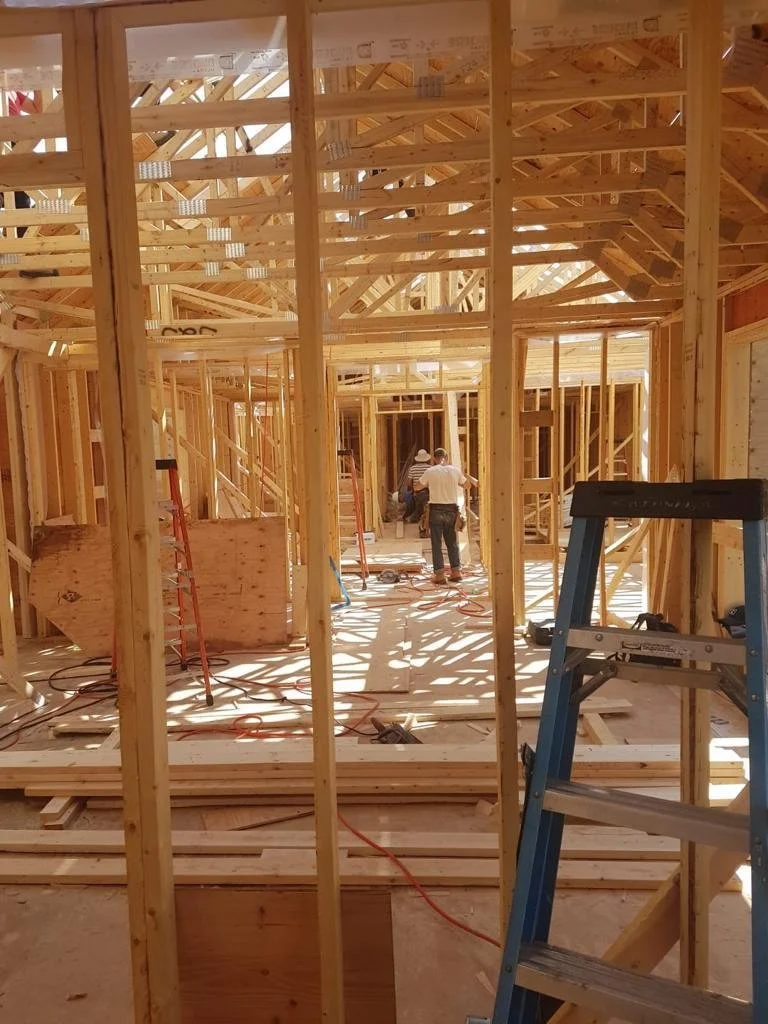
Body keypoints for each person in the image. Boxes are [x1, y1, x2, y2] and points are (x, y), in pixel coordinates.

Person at [414, 448, 478, 584]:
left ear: (434, 459)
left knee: (436, 544)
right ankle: (456, 572)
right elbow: (467, 486)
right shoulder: (454, 470)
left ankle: (439, 576)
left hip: (436, 510)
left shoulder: (430, 471)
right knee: (452, 542)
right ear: (447, 457)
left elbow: (417, 487)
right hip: (452, 510)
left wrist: (428, 484)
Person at [404, 448, 432, 522]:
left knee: (418, 507)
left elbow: (409, 483)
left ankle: (415, 519)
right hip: (428, 492)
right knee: (427, 508)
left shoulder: (412, 468)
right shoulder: (430, 468)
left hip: (417, 493)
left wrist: (413, 488)